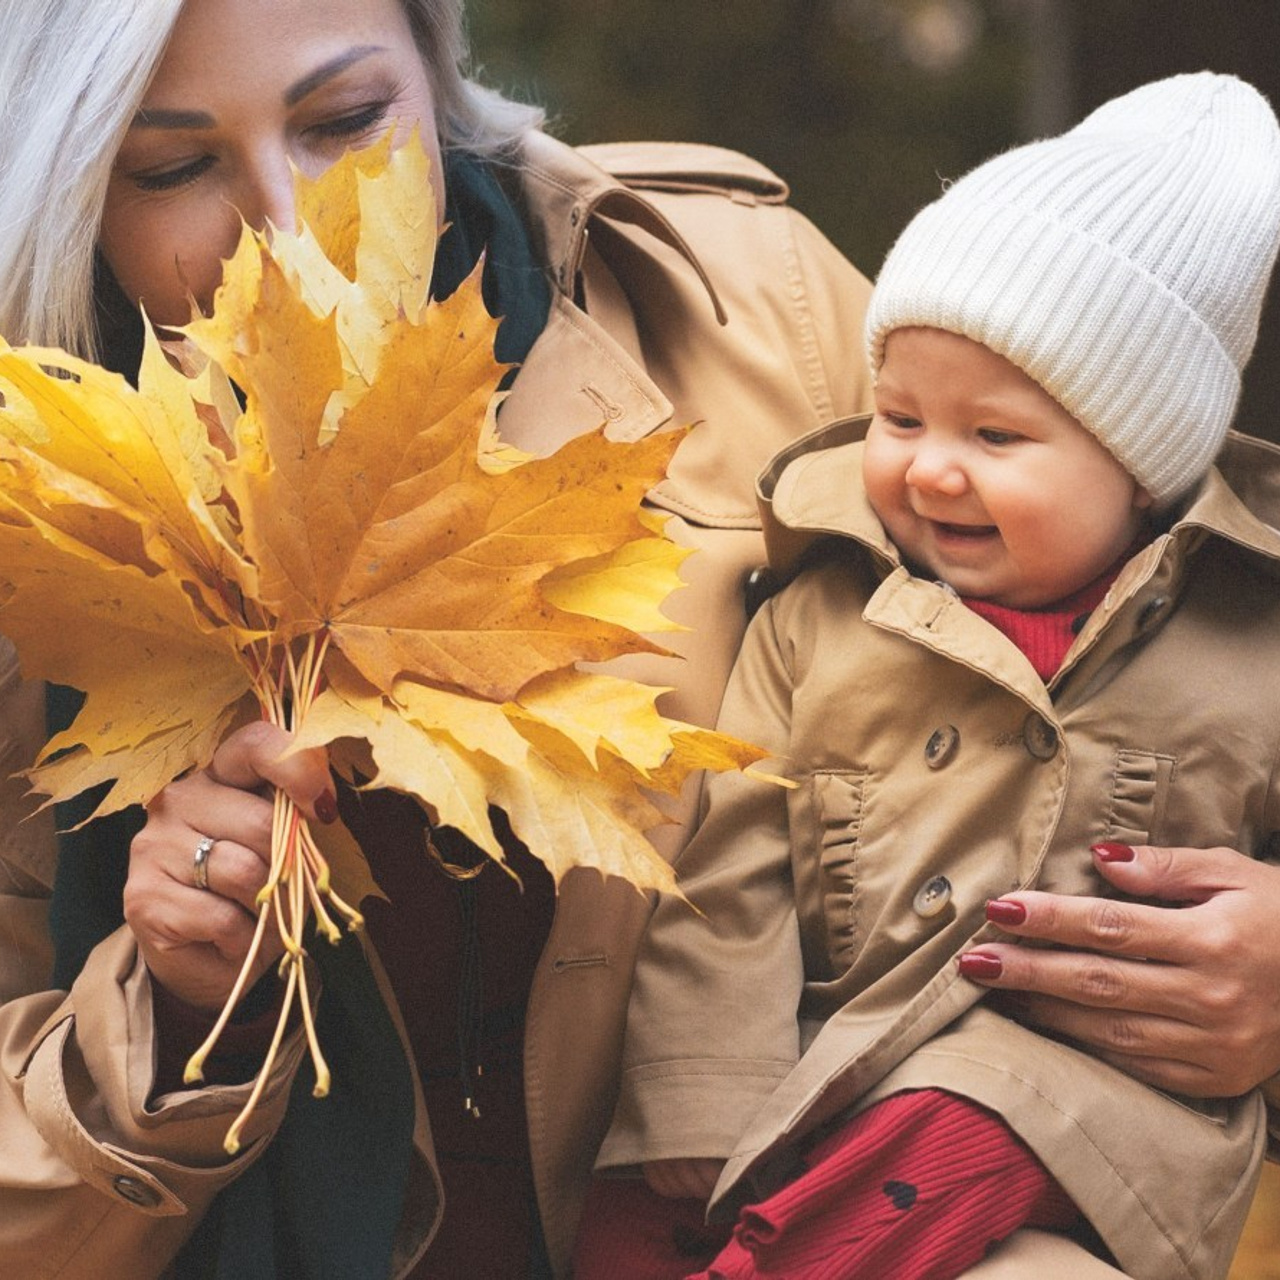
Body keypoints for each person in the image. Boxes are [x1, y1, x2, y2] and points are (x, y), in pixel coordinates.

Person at [0, 3, 1273, 1277]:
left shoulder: (746, 304)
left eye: (346, 123)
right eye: (171, 169)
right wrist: (162, 1014)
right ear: (66, 192)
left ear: (436, 84)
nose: (287, 234)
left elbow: (1154, 653)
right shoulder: (40, 526)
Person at [581, 73, 1280, 1280]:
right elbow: (734, 859)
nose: (930, 471)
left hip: (1119, 1114)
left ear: (1142, 467)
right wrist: (700, 1099)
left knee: (964, 1112)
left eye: (994, 437)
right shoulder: (825, 612)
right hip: (832, 1078)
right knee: (627, 1223)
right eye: (899, 418)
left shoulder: (1251, 643)